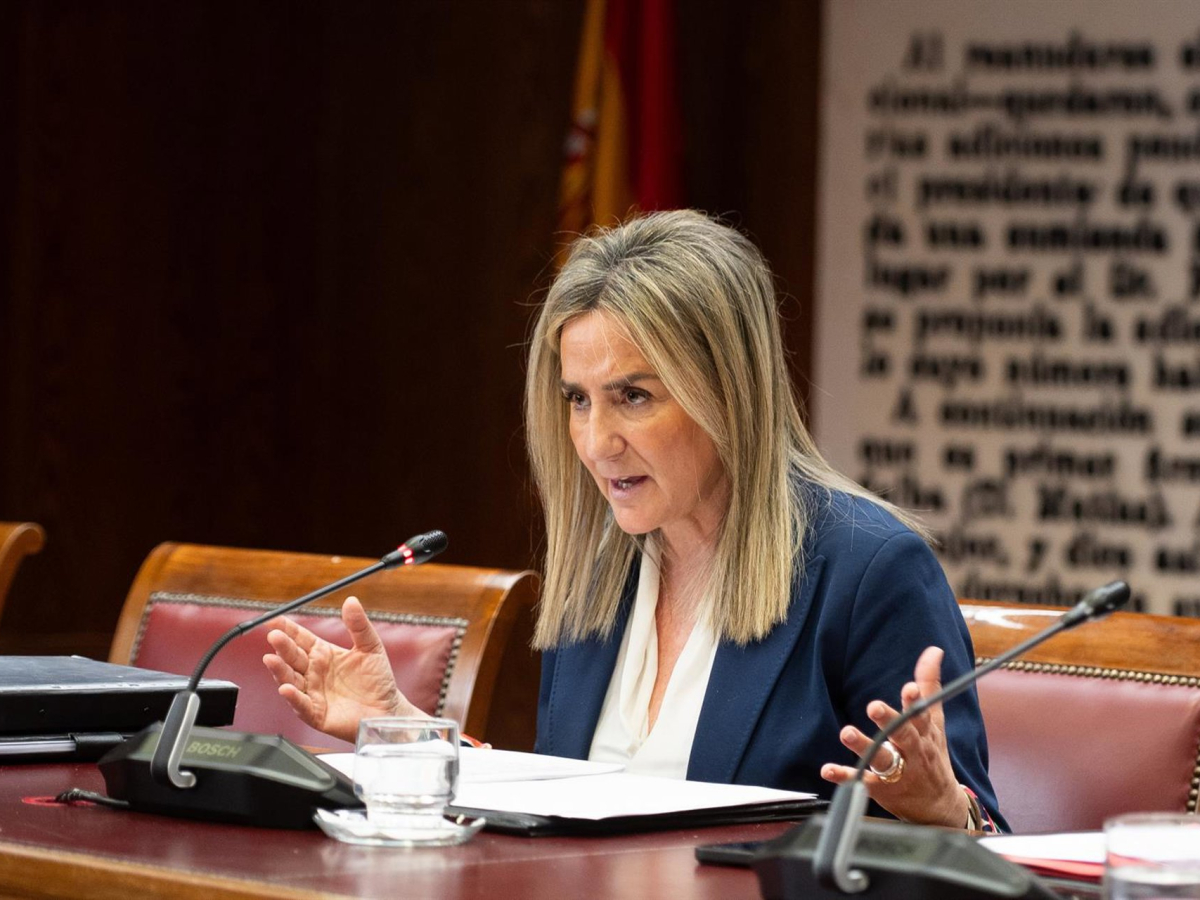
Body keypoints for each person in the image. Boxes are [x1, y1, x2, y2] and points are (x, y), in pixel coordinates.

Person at [264, 210, 1005, 831]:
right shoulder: (605, 568)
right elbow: (568, 806)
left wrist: (945, 811)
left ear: (728, 392)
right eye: (578, 400)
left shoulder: (867, 571)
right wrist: (411, 736)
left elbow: (991, 847)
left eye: (634, 397)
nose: (596, 443)